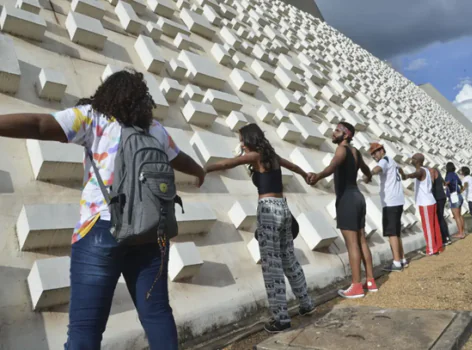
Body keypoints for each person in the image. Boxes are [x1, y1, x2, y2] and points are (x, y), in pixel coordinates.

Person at [0, 70, 206, 350]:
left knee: (85, 329)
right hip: (150, 232)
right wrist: (199, 172)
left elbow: (39, 125)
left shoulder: (93, 117)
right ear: (142, 100)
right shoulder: (155, 130)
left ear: (107, 93)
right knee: (157, 313)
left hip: (101, 229)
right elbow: (179, 159)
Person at [204, 123, 315, 333]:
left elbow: (231, 163)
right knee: (289, 259)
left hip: (268, 210)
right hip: (284, 208)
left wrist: (205, 168)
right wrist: (306, 174)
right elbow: (292, 166)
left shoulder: (255, 156)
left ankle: (281, 318)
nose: (240, 144)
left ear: (248, 139)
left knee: (271, 264)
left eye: (241, 140)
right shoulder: (271, 156)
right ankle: (306, 303)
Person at [307, 122, 378, 299]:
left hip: (347, 199)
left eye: (337, 130)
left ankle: (356, 286)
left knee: (351, 243)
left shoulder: (341, 149)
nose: (333, 132)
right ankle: (370, 280)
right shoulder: (356, 152)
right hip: (358, 197)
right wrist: (368, 177)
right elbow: (366, 169)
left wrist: (318, 176)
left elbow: (333, 166)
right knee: (362, 240)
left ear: (346, 135)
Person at [366, 142, 408, 272]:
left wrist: (369, 174)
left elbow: (378, 168)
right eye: (372, 154)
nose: (374, 156)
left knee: (391, 233)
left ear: (381, 150)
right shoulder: (392, 161)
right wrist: (404, 175)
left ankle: (396, 262)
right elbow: (400, 170)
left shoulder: (384, 160)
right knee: (396, 233)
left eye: (375, 153)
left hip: (390, 202)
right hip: (398, 200)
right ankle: (402, 259)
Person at [399, 154, 443, 256]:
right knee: (434, 225)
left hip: (425, 203)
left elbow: (415, 174)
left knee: (428, 227)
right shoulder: (426, 170)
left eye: (413, 158)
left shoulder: (421, 171)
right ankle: (438, 246)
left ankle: (431, 249)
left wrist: (405, 175)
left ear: (418, 161)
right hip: (430, 201)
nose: (411, 160)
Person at [430, 167, 451, 245]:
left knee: (439, 218)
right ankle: (447, 237)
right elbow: (444, 182)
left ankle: (444, 238)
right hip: (442, 197)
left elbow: (431, 183)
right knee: (441, 217)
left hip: (437, 198)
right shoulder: (437, 171)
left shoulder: (432, 171)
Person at [445, 162, 465, 239]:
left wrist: (444, 183)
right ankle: (462, 231)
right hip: (458, 195)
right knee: (460, 215)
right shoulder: (455, 174)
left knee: (456, 216)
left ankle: (460, 233)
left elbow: (448, 182)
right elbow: (460, 184)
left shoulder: (449, 175)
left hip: (453, 196)